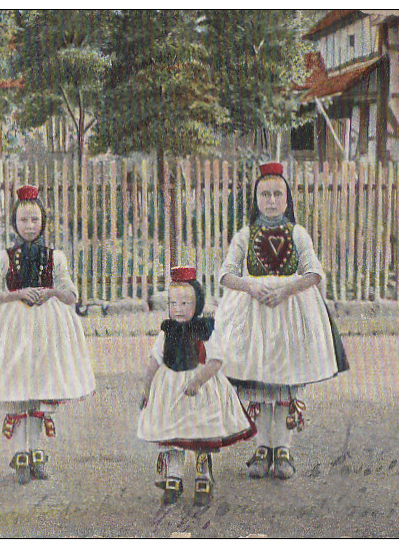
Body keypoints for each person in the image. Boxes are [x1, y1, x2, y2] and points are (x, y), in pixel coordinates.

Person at [213, 162, 349, 480]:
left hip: (289, 314)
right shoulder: (245, 236)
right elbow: (225, 274)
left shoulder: (297, 234)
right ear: (256, 199)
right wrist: (249, 285)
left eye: (277, 194)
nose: (271, 201)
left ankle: (283, 450)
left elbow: (314, 272)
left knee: (286, 380)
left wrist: (287, 289)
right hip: (254, 315)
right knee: (259, 384)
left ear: (287, 200)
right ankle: (262, 448)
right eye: (265, 195)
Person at [0, 184, 96, 484]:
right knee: (18, 391)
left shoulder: (55, 257)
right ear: (14, 223)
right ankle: (20, 454)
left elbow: (71, 294)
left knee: (38, 393)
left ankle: (36, 455)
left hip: (47, 330)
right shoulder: (4, 258)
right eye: (23, 220)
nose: (29, 226)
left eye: (34, 220)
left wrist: (51, 291)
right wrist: (14, 295)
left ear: (43, 221)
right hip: (14, 330)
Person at [137, 266, 256, 506]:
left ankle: (203, 474)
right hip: (171, 387)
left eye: (185, 304)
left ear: (197, 304)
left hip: (199, 388)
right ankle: (173, 476)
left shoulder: (204, 330)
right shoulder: (166, 331)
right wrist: (147, 387)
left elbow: (215, 361)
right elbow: (154, 361)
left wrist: (198, 380)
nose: (178, 310)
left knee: (202, 431)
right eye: (173, 304)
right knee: (172, 432)